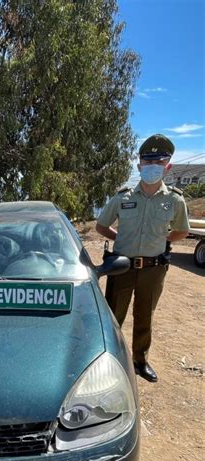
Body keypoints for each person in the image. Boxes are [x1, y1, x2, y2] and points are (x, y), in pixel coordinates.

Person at [96, 134, 190, 382]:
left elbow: (181, 230)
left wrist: (162, 240)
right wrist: (120, 236)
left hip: (153, 268)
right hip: (121, 266)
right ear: (139, 166)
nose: (152, 168)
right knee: (114, 315)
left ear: (167, 167)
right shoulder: (122, 197)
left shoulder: (174, 200)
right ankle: (109, 358)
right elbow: (102, 226)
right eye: (147, 163)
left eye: (158, 163)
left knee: (145, 316)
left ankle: (140, 361)